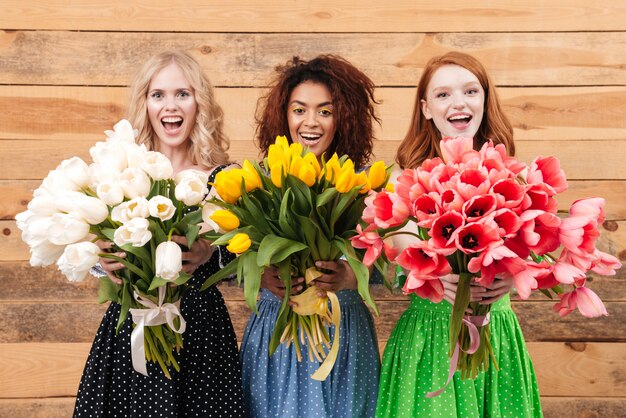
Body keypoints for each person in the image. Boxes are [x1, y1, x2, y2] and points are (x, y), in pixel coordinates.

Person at [73, 50, 245, 417]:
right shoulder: (121, 174)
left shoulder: (223, 178)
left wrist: (210, 255)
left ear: (200, 103)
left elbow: (244, 252)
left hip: (201, 329)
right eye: (158, 95)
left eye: (183, 93)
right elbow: (99, 246)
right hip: (132, 323)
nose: (171, 105)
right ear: (146, 105)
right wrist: (106, 259)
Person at [376, 51, 542, 417]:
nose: (458, 103)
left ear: (484, 99)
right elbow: (398, 238)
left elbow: (533, 249)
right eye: (443, 94)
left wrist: (514, 279)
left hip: (496, 332)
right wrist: (434, 270)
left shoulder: (516, 177)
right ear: (425, 108)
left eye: (470, 91)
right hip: (431, 337)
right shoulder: (402, 179)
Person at [239, 55, 381, 418]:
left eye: (325, 111)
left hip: (341, 323)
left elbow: (390, 258)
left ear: (342, 118)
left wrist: (351, 276)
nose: (310, 122)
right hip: (278, 322)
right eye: (299, 110)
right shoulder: (264, 179)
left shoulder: (363, 183)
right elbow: (238, 249)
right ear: (284, 116)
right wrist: (261, 270)